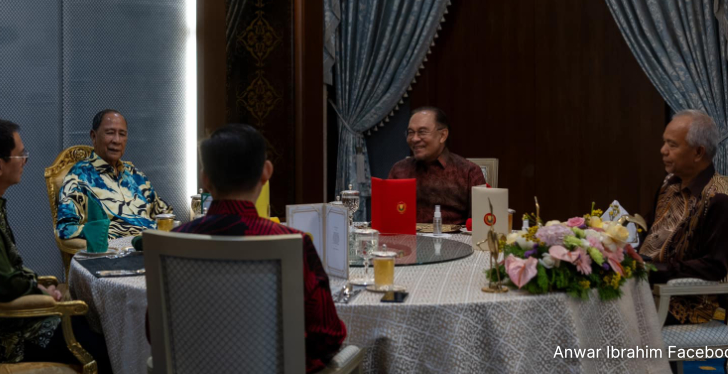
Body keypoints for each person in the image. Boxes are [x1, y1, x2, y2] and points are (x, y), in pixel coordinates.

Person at [170, 124, 347, 372]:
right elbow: (327, 336)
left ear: (205, 179)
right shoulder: (292, 242)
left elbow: (155, 331)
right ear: (266, 172)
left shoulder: (176, 241)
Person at [0, 118, 111, 372]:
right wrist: (43, 295)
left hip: (5, 323)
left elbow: (2, 271)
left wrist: (37, 285)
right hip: (7, 338)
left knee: (89, 324)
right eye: (21, 154)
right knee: (107, 346)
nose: (26, 160)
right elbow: (4, 284)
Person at [638, 110, 728, 324]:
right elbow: (649, 230)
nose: (663, 150)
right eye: (665, 142)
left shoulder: (719, 199)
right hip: (646, 286)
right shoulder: (669, 183)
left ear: (698, 152)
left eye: (672, 145)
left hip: (683, 303)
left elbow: (713, 267)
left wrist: (652, 270)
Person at [56, 109, 172, 241]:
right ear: (94, 136)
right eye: (110, 133)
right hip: (115, 250)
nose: (117, 140)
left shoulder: (135, 175)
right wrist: (112, 233)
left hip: (153, 247)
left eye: (122, 134)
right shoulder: (79, 177)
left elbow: (165, 214)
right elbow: (66, 228)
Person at [387, 106, 486, 224]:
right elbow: (387, 217)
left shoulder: (468, 172)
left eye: (422, 132)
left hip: (454, 235)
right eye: (411, 133)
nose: (414, 139)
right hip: (406, 235)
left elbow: (481, 223)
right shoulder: (399, 170)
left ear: (443, 135)